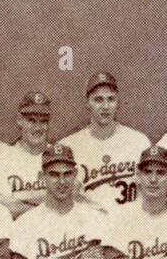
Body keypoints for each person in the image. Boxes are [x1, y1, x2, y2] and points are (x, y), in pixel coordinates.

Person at [8, 143, 108, 259]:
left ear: (75, 174)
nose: (62, 181)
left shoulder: (96, 217)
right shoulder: (24, 223)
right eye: (54, 174)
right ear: (42, 177)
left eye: (67, 174)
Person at [60, 72, 151, 209]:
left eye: (111, 99)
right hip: (88, 223)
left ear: (118, 102)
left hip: (130, 222)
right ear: (87, 103)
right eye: (98, 100)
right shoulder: (69, 146)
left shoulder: (139, 141)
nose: (105, 106)